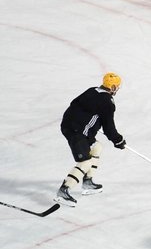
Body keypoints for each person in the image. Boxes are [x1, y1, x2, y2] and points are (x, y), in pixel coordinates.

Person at [54, 74, 125, 206]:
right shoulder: (108, 102)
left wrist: (87, 123)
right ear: (113, 87)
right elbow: (109, 127)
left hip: (72, 126)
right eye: (118, 87)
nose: (118, 89)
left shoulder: (91, 90)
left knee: (96, 147)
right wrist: (118, 140)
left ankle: (87, 182)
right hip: (77, 132)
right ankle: (64, 190)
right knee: (85, 163)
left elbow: (74, 104)